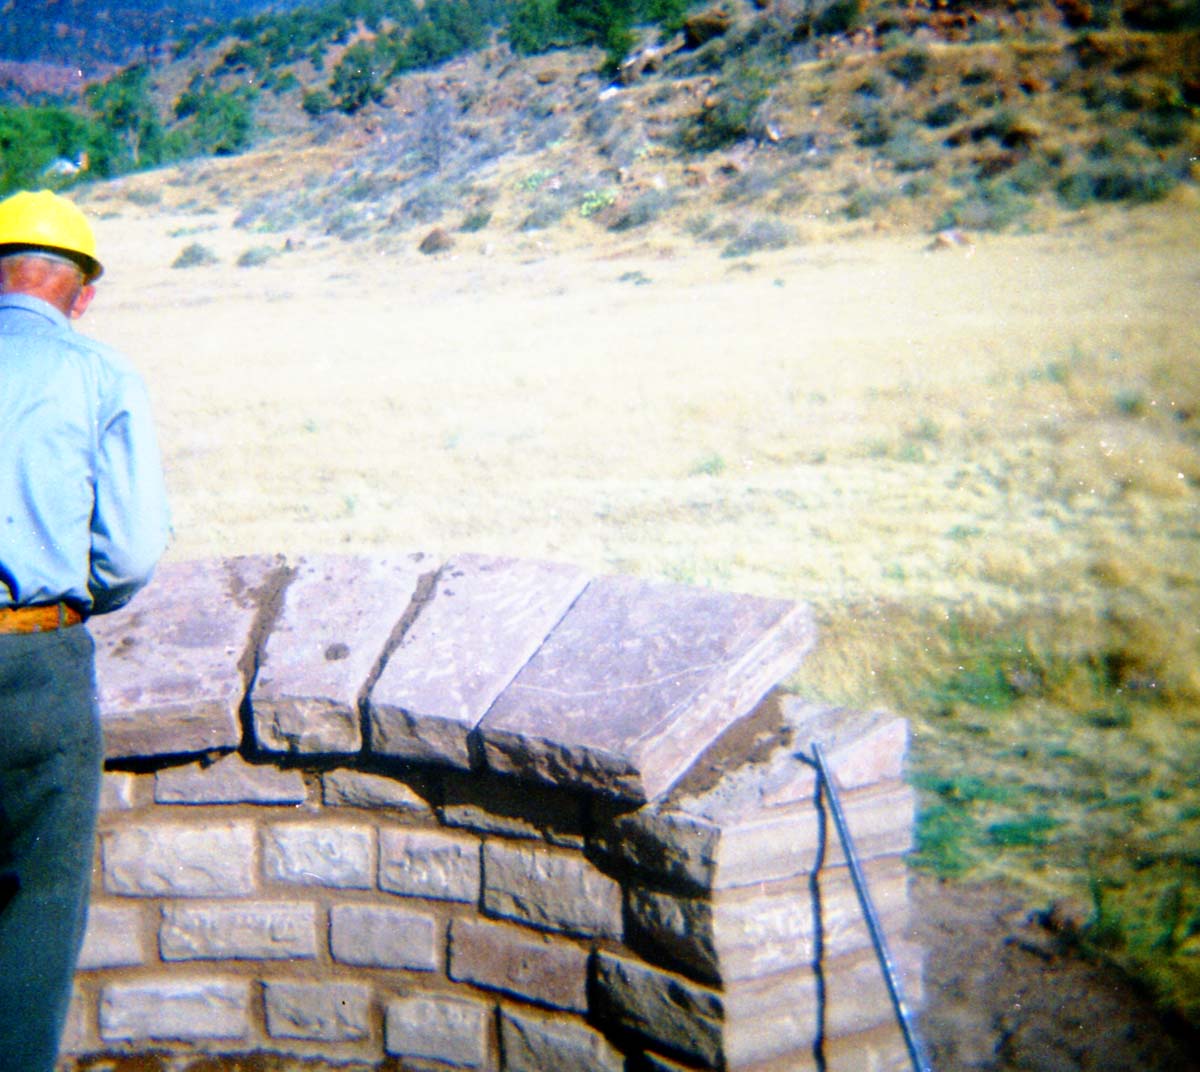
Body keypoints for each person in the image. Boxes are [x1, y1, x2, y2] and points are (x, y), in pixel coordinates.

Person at [0, 189, 169, 1070]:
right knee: (34, 905)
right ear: (82, 291)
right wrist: (71, 602)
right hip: (37, 660)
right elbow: (133, 552)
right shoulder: (101, 372)